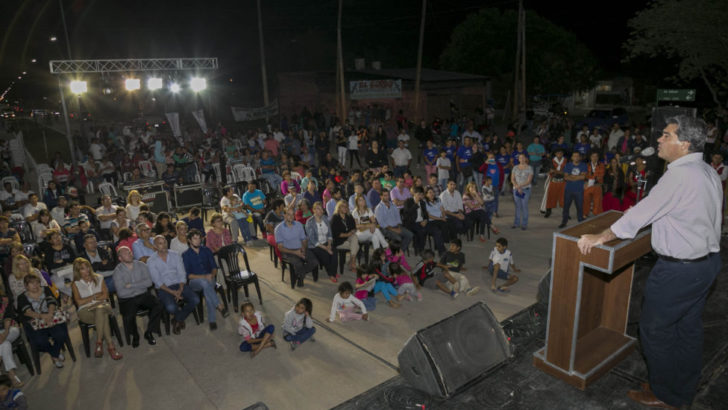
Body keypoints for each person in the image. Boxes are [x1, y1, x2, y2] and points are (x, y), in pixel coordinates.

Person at [577, 116, 722, 409]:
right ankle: (680, 387)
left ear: (683, 143)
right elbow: (685, 211)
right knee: (687, 329)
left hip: (678, 271)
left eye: (666, 135)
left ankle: (666, 394)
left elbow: (636, 217)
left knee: (654, 331)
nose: (659, 139)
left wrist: (601, 237)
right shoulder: (704, 170)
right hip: (705, 265)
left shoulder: (679, 175)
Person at [71, 258, 122, 360]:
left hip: (102, 306)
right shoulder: (75, 284)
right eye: (82, 269)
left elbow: (105, 296)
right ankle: (111, 346)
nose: (87, 271)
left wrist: (88, 299)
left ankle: (99, 341)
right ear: (77, 271)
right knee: (103, 316)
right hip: (85, 310)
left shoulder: (99, 277)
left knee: (100, 309)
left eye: (87, 267)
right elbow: (79, 302)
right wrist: (94, 297)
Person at [148, 236, 200, 334]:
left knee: (195, 299)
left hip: (178, 283)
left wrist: (180, 289)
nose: (163, 245)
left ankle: (178, 318)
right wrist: (172, 292)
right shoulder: (151, 261)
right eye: (160, 243)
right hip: (164, 288)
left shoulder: (175, 255)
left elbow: (181, 273)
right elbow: (157, 281)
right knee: (171, 307)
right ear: (155, 246)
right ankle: (179, 318)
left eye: (165, 243)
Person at [112, 246, 162, 347]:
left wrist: (131, 285)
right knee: (129, 316)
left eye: (130, 252)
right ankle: (135, 335)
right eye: (126, 253)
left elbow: (149, 283)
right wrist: (139, 286)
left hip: (142, 295)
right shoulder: (117, 271)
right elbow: (121, 293)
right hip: (127, 299)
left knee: (159, 304)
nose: (129, 254)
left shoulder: (141, 265)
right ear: (120, 258)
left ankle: (149, 332)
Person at [16, 275, 70, 368]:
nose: (35, 285)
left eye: (37, 282)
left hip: (51, 316)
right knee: (40, 341)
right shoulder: (22, 297)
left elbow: (52, 303)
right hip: (36, 322)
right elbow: (28, 312)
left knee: (61, 334)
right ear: (26, 285)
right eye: (32, 283)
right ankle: (55, 354)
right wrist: (43, 316)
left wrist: (49, 315)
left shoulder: (46, 289)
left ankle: (54, 354)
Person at [182, 229, 229, 330]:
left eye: (199, 238)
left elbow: (214, 267)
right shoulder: (186, 255)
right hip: (195, 282)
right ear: (189, 240)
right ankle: (219, 306)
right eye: (195, 238)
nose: (198, 241)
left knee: (207, 290)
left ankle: (212, 320)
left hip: (209, 278)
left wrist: (212, 275)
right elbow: (188, 276)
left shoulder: (207, 250)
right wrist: (204, 277)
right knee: (204, 283)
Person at [304, 202, 337, 282]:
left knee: (334, 251)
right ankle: (330, 274)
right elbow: (313, 240)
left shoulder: (325, 218)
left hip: (326, 242)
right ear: (314, 210)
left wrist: (329, 244)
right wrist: (326, 248)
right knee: (325, 254)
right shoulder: (309, 222)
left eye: (322, 208)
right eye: (318, 208)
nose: (321, 210)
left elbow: (329, 233)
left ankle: (333, 272)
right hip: (315, 245)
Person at [0, 283, 23, 386]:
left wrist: (5, 333)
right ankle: (11, 374)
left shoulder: (5, 300)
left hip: (10, 328)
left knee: (4, 341)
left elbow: (8, 317)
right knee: (5, 345)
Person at [559, 152, 587, 229]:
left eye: (578, 156)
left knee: (580, 207)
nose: (576, 157)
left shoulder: (583, 165)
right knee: (566, 207)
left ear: (580, 158)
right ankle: (564, 222)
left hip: (579, 190)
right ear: (572, 157)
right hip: (568, 190)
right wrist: (578, 176)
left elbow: (583, 177)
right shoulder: (568, 165)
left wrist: (571, 176)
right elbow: (566, 178)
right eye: (574, 156)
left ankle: (580, 221)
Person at [331, 200, 360, 273]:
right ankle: (352, 263)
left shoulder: (349, 216)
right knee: (357, 246)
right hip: (339, 242)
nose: (345, 208)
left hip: (349, 238)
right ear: (339, 208)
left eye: (346, 207)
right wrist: (348, 234)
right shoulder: (335, 218)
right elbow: (336, 234)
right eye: (342, 206)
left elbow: (354, 227)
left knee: (355, 237)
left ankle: (352, 261)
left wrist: (353, 231)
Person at [511, 154, 533, 230]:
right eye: (520, 158)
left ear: (526, 159)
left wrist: (519, 186)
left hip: (525, 190)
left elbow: (529, 181)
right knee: (517, 206)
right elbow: (512, 179)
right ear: (518, 159)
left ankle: (524, 224)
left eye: (523, 157)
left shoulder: (529, 168)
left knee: (524, 207)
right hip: (516, 189)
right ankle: (516, 223)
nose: (522, 159)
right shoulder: (515, 167)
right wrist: (517, 186)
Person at [542, 149, 567, 218]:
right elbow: (548, 170)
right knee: (550, 197)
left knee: (564, 198)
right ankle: (548, 211)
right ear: (555, 154)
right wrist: (557, 172)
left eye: (561, 153)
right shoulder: (551, 161)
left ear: (563, 154)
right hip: (553, 181)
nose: (559, 154)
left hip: (562, 181)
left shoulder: (566, 161)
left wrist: (556, 171)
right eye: (558, 153)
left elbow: (566, 171)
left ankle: (566, 212)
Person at [583, 152, 605, 218]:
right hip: (588, 186)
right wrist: (586, 181)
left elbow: (600, 176)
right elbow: (585, 175)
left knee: (597, 201)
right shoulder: (587, 165)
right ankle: (585, 213)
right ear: (590, 157)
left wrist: (589, 180)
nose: (594, 158)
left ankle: (597, 215)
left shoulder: (601, 165)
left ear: (598, 157)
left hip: (597, 185)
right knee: (585, 199)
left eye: (596, 156)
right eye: (593, 156)